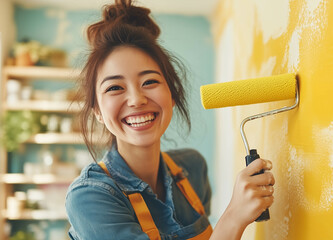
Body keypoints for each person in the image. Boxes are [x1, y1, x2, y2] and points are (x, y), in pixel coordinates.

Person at [65, 0, 275, 239]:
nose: (136, 99)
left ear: (172, 95)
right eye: (114, 87)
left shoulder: (193, 168)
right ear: (97, 111)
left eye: (150, 82)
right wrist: (234, 216)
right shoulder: (90, 197)